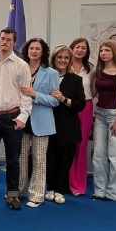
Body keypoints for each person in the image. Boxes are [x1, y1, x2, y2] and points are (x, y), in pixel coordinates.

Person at [0, 28, 32, 210]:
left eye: (9, 40)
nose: (5, 42)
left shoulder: (22, 65)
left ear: (14, 42)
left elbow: (26, 94)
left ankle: (12, 194)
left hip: (13, 117)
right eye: (2, 38)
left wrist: (23, 117)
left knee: (13, 160)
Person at [18, 38, 60, 208]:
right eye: (31, 48)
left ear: (43, 52)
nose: (34, 51)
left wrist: (35, 94)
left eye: (38, 49)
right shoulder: (20, 69)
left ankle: (36, 194)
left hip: (41, 122)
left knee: (39, 159)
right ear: (27, 50)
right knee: (20, 158)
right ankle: (19, 190)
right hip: (21, 119)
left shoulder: (51, 73)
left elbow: (55, 101)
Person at [45, 45, 86, 203]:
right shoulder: (46, 76)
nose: (62, 60)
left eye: (66, 58)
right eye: (59, 57)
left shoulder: (76, 79)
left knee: (65, 159)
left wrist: (64, 99)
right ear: (54, 59)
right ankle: (50, 188)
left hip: (68, 126)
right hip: (48, 124)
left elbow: (80, 105)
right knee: (50, 158)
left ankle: (61, 190)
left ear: (69, 61)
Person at [91, 40, 116, 201]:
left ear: (113, 52)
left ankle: (114, 192)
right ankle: (100, 190)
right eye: (101, 51)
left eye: (107, 50)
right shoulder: (97, 71)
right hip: (100, 115)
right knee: (98, 154)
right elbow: (94, 94)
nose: (104, 53)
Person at [68, 37, 94, 196]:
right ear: (72, 48)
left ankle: (78, 183)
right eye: (77, 46)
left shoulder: (90, 68)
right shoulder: (64, 65)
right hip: (67, 108)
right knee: (66, 144)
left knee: (81, 145)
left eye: (83, 48)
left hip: (85, 108)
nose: (80, 50)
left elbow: (93, 89)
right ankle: (63, 181)